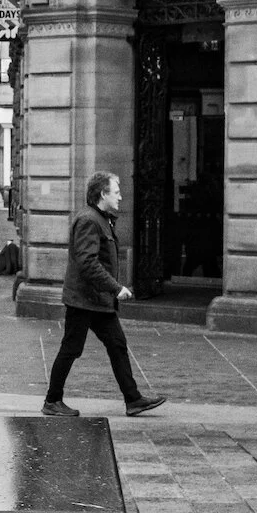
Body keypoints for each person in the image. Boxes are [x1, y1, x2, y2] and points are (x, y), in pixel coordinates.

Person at [42, 171, 166, 418]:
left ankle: (133, 400)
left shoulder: (101, 218)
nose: (120, 196)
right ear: (102, 194)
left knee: (117, 344)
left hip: (97, 301)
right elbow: (87, 262)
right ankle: (52, 400)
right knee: (71, 348)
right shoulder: (90, 220)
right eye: (116, 192)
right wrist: (116, 287)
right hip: (83, 299)